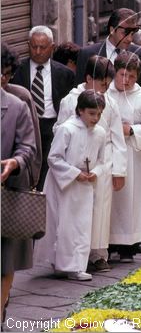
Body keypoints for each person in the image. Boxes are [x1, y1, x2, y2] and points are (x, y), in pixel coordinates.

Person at [54, 55, 127, 272]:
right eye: (102, 83)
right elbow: (59, 128)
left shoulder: (110, 103)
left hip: (99, 167)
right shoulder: (70, 100)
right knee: (74, 214)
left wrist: (119, 170)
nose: (105, 88)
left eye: (107, 84)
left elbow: (117, 138)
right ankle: (72, 255)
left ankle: (97, 253)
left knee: (100, 211)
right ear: (88, 78)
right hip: (75, 167)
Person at [35, 90, 106, 281]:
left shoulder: (100, 133)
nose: (96, 118)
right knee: (62, 224)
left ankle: (76, 265)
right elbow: (54, 157)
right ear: (80, 110)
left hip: (85, 185)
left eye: (99, 114)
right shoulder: (67, 129)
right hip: (63, 184)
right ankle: (60, 263)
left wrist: (95, 172)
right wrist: (74, 173)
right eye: (92, 113)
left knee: (82, 225)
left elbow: (103, 159)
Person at [107, 53, 141, 262]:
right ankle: (107, 242)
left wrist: (132, 130)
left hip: (133, 156)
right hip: (109, 152)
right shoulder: (106, 93)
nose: (126, 80)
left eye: (131, 76)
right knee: (110, 200)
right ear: (115, 72)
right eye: (122, 74)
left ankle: (128, 244)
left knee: (130, 200)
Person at [12, 26, 75, 190]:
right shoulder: (16, 71)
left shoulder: (65, 74)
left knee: (48, 170)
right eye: (34, 46)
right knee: (25, 168)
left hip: (52, 126)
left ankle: (43, 199)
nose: (38, 51)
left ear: (52, 47)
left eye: (43, 47)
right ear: (28, 45)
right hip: (26, 125)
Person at [1, 88, 36, 321]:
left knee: (4, 263)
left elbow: (28, 147)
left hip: (5, 197)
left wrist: (14, 162)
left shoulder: (16, 106)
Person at [75, 8, 141, 92]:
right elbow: (80, 90)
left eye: (132, 34)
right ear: (112, 30)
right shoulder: (87, 54)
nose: (130, 39)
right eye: (125, 33)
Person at [1, 42, 42, 187]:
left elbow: (30, 143)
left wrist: (16, 163)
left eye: (7, 74)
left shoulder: (19, 100)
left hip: (10, 184)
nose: (3, 79)